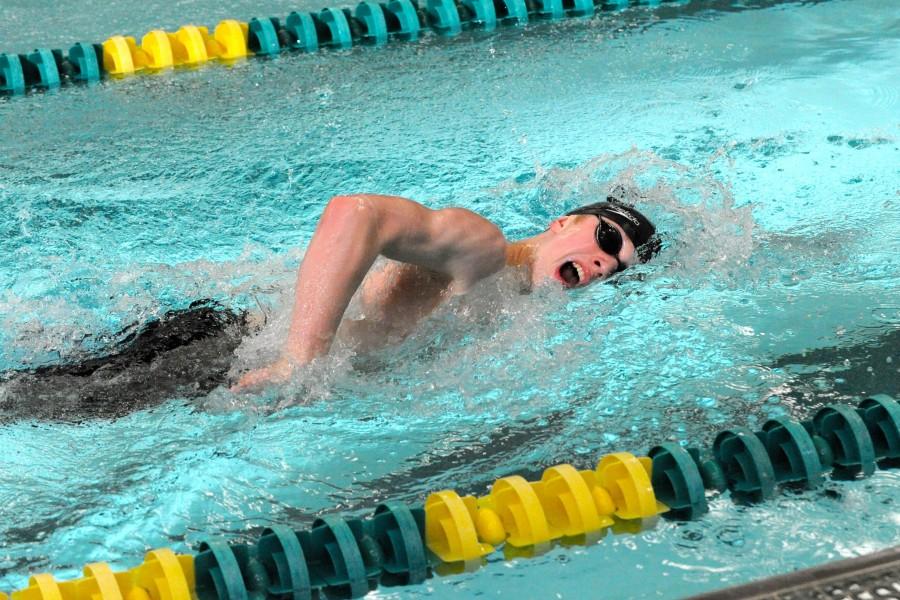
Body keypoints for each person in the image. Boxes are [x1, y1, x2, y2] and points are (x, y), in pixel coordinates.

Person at [232, 192, 659, 390]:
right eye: (606, 237)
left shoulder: (513, 311)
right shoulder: (482, 250)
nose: (606, 263)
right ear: (562, 222)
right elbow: (355, 214)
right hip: (225, 353)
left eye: (616, 269)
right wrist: (298, 363)